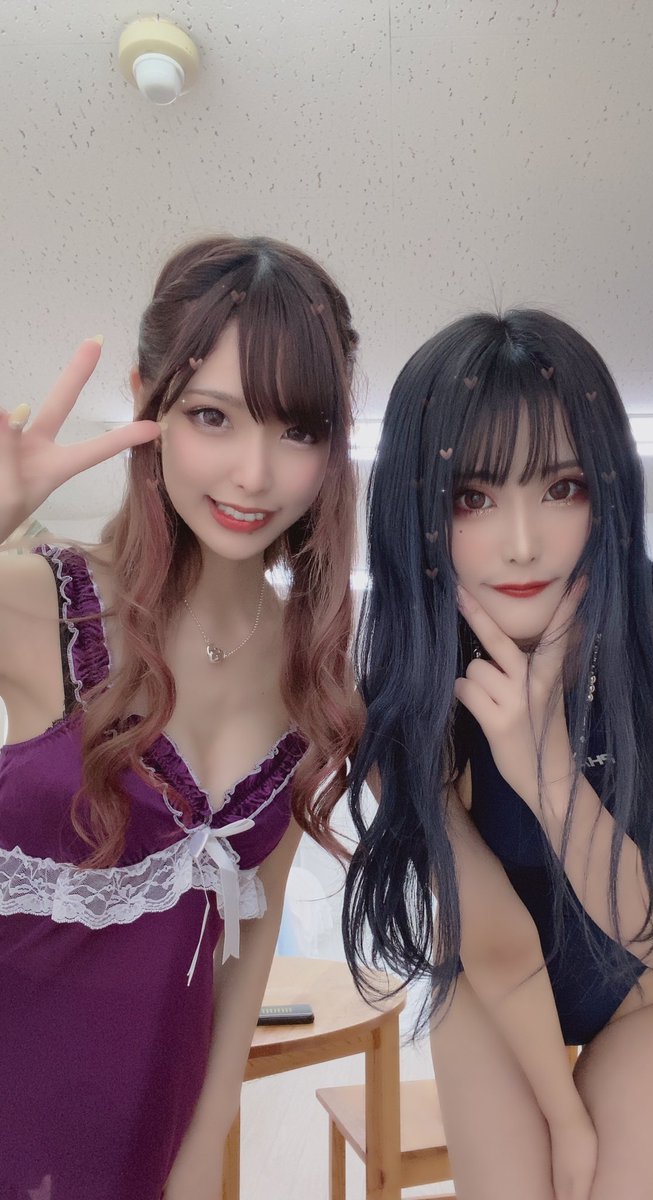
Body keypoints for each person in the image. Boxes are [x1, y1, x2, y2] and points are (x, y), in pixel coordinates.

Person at [342, 309, 653, 1200]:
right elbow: (489, 933)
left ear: (608, 489)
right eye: (471, 498)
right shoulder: (406, 684)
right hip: (493, 984)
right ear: (416, 515)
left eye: (562, 487)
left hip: (650, 982)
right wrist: (563, 1117)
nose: (521, 543)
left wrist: (540, 765)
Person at [0, 235, 359, 1200]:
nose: (252, 474)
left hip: (144, 1135)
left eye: (297, 430)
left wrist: (204, 1148)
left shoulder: (313, 676)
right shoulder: (41, 602)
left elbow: (252, 932)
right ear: (145, 403)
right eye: (212, 416)